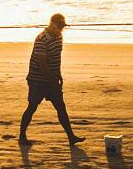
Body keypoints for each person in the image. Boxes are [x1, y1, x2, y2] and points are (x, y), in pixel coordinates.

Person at [19, 13, 85, 146]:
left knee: (61, 107)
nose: (61, 30)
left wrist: (58, 74)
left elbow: (56, 58)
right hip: (37, 80)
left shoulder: (59, 36)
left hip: (52, 78)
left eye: (62, 27)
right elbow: (42, 63)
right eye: (59, 27)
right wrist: (52, 79)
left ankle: (71, 136)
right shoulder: (42, 39)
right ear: (52, 24)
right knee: (32, 107)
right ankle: (22, 136)